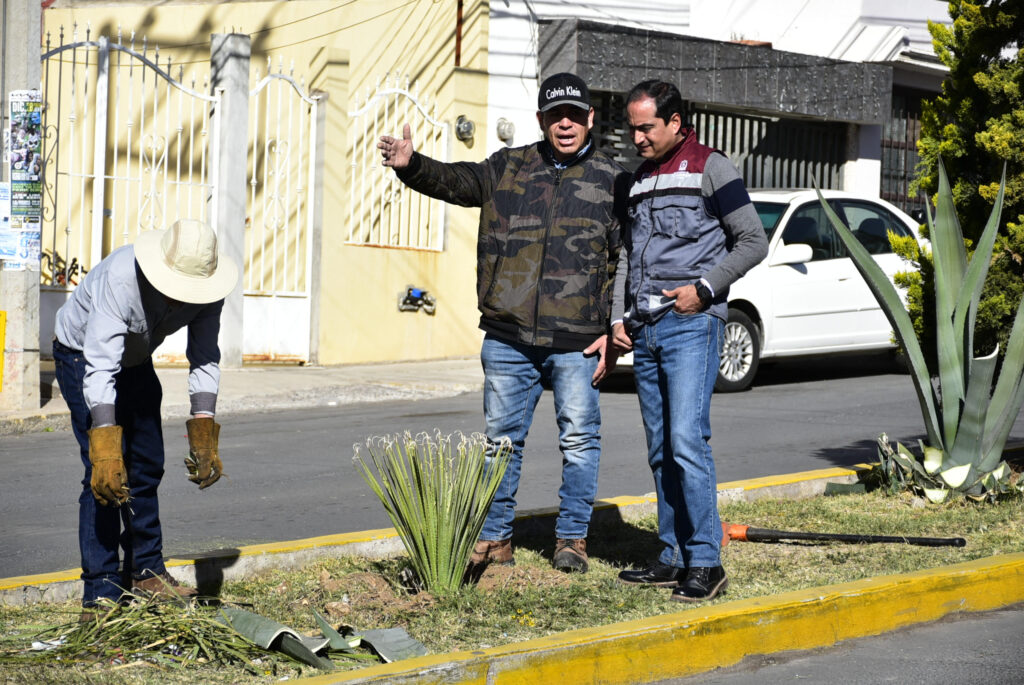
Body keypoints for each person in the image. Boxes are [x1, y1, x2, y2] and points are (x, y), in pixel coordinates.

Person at [378, 72, 629, 574]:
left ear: (590, 119)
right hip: (509, 336)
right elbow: (457, 181)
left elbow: (626, 258)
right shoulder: (508, 167)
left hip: (578, 340)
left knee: (580, 441)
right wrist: (412, 166)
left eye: (575, 116)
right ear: (540, 120)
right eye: (556, 116)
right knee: (499, 445)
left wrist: (615, 326)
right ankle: (496, 541)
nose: (565, 124)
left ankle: (572, 539)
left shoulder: (614, 179)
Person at [607, 80, 768, 601]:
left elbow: (753, 241)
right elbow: (630, 255)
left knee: (686, 442)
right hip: (647, 328)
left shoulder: (711, 166)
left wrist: (704, 290)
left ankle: (706, 562)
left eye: (645, 127)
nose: (636, 138)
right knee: (659, 449)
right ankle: (672, 556)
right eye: (631, 128)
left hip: (692, 324)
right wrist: (619, 319)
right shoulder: (638, 178)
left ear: (675, 122)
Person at [53, 219, 239, 617]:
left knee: (147, 465)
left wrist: (203, 429)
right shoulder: (121, 279)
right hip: (81, 356)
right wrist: (105, 444)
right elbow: (100, 367)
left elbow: (204, 355)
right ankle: (100, 592)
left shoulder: (209, 287)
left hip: (136, 360)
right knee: (104, 474)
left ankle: (146, 572)